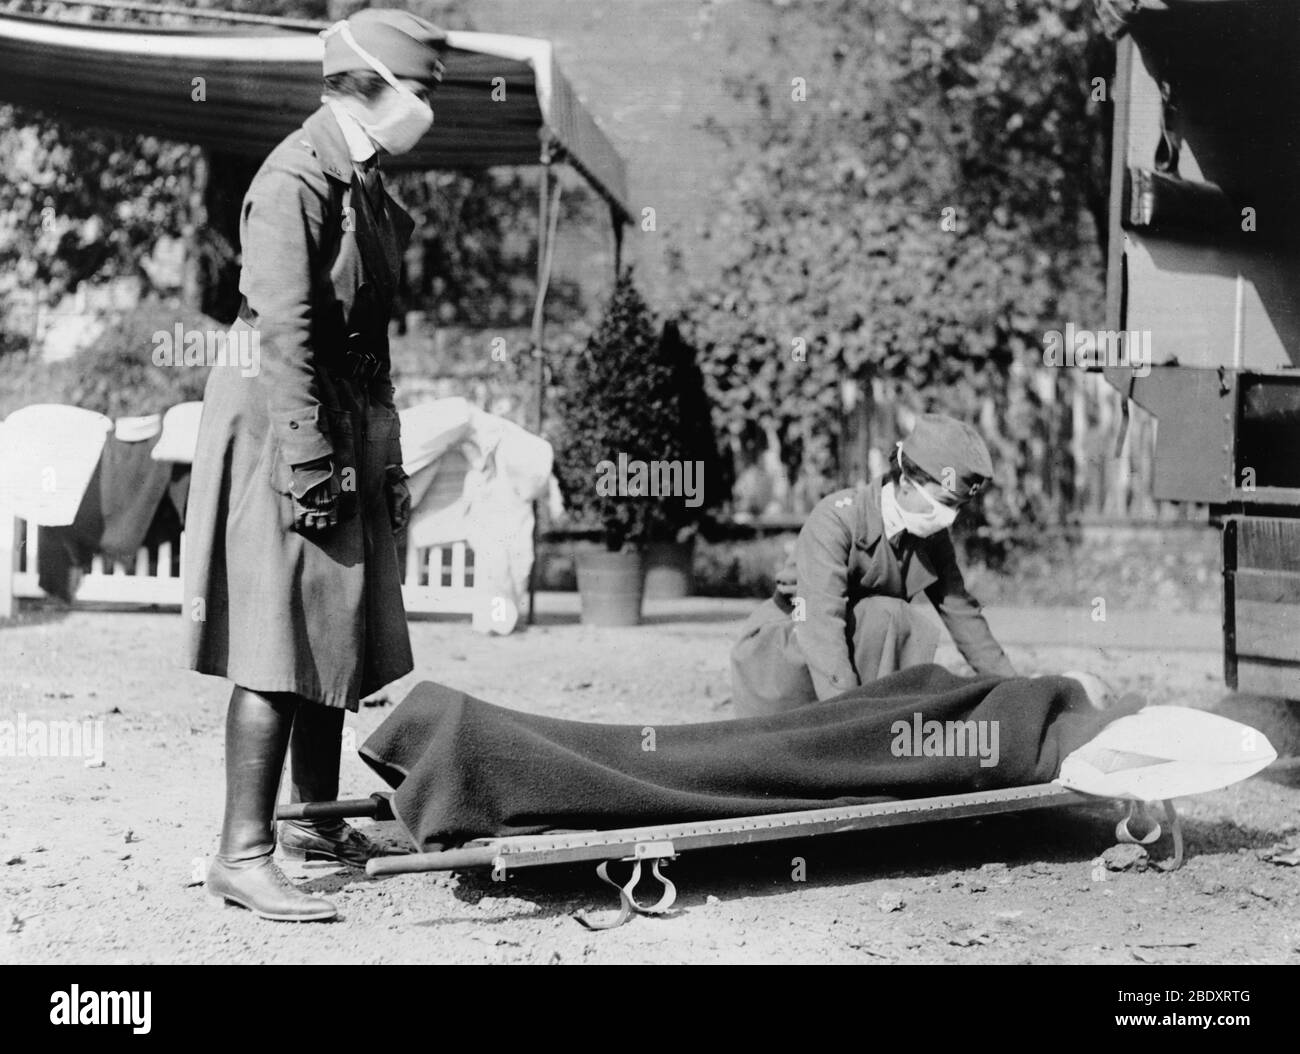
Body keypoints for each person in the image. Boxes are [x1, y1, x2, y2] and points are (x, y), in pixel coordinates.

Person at [183, 9, 448, 921]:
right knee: (276, 635)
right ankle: (240, 853)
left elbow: (369, 329)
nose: (429, 110)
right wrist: (308, 460)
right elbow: (286, 333)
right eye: (423, 90)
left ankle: (311, 820)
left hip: (340, 410)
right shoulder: (296, 175)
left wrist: (383, 450)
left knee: (329, 625)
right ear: (368, 82)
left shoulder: (365, 177)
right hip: (280, 416)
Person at [730, 413, 1016, 717]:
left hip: (848, 652)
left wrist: (1014, 690)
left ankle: (880, 721)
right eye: (945, 502)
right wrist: (849, 719)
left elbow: (962, 613)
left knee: (895, 618)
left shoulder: (931, 537)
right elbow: (820, 623)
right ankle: (864, 725)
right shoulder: (837, 519)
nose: (950, 516)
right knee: (888, 615)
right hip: (787, 652)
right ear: (906, 481)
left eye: (959, 506)